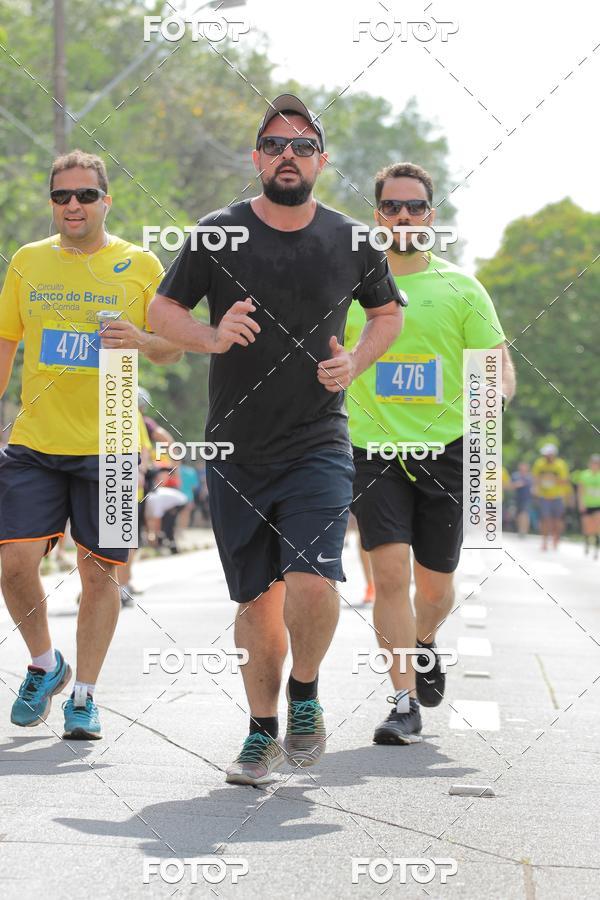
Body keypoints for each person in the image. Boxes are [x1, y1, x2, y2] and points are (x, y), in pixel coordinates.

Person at [148, 94, 404, 784]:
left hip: (318, 439)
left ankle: (307, 693)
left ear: (321, 160)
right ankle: (260, 731)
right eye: (273, 144)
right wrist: (210, 335)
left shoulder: (354, 239)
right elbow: (160, 309)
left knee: (313, 580)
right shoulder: (216, 233)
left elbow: (386, 314)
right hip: (235, 449)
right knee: (256, 601)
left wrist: (357, 361)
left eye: (301, 146)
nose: (286, 156)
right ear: (255, 157)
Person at [0, 150, 181, 740]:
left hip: (113, 441)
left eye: (84, 195)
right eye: (61, 196)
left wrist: (144, 339)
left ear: (107, 200)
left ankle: (85, 695)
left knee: (99, 574)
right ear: (52, 204)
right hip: (35, 440)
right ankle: (46, 664)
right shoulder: (27, 261)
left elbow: (172, 348)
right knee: (12, 564)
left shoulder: (139, 263)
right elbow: (5, 345)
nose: (72, 205)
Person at [345, 162, 515, 745]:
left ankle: (423, 643)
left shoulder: (461, 289)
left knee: (435, 587)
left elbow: (496, 370)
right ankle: (401, 701)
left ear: (430, 216)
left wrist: (492, 402)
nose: (403, 216)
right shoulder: (351, 288)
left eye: (414, 207)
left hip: (446, 450)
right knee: (388, 575)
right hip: (374, 450)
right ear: (378, 216)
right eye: (392, 207)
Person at [532, 443, 570, 551]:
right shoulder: (539, 464)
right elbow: (535, 477)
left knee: (557, 520)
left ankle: (556, 538)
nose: (546, 457)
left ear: (553, 454)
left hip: (558, 496)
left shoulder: (560, 465)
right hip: (544, 496)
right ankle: (544, 541)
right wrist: (535, 489)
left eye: (548, 454)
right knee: (545, 519)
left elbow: (565, 480)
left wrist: (552, 478)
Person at [574, 454, 600, 558]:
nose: (595, 465)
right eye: (593, 463)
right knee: (587, 527)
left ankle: (596, 548)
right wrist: (581, 504)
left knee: (597, 525)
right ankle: (587, 542)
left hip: (598, 504)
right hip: (587, 504)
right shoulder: (584, 475)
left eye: (597, 464)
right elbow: (580, 491)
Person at [511, 462, 534, 538]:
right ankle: (520, 529)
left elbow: (533, 487)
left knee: (524, 514)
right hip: (517, 498)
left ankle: (524, 531)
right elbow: (510, 486)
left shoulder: (530, 477)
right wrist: (517, 484)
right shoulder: (515, 476)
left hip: (527, 498)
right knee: (518, 515)